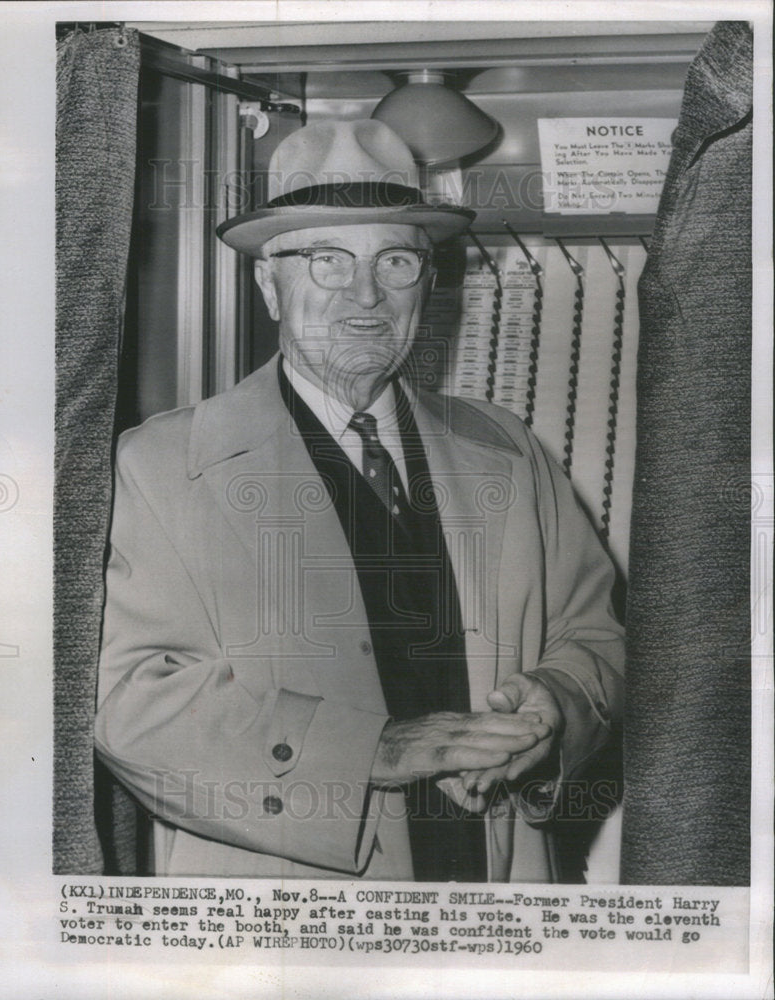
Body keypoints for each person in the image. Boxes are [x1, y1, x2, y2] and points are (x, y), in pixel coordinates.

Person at [95, 118, 624, 881]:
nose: (367, 296)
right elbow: (130, 704)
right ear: (269, 285)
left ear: (429, 283)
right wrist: (372, 751)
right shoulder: (162, 466)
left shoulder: (510, 452)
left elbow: (594, 634)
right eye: (327, 261)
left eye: (396, 260)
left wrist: (557, 702)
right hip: (290, 925)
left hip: (492, 901)